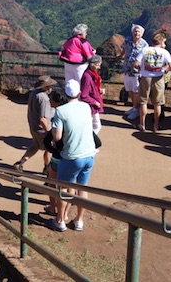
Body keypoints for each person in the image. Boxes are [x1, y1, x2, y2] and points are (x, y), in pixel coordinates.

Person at [50, 80, 100, 232]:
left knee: (64, 189)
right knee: (81, 188)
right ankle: (79, 221)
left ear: (65, 93)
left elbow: (57, 137)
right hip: (89, 154)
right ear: (79, 93)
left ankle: (60, 221)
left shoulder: (61, 111)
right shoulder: (85, 107)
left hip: (72, 156)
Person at [133, 30, 171, 133]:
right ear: (160, 42)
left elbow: (135, 63)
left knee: (143, 102)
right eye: (164, 42)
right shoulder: (165, 52)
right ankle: (156, 126)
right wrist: (164, 70)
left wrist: (141, 69)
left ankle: (142, 125)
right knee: (157, 103)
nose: (164, 44)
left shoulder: (145, 50)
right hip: (159, 78)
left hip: (145, 77)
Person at [14, 75, 57, 172]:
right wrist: (49, 132)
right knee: (49, 149)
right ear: (45, 87)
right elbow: (43, 119)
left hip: (34, 126)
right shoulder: (44, 99)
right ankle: (47, 168)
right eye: (49, 86)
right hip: (42, 128)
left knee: (36, 145)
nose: (51, 88)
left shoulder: (33, 93)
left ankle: (20, 163)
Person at [43, 89, 69, 218]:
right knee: (70, 186)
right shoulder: (73, 114)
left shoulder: (58, 116)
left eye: (51, 99)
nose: (49, 101)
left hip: (59, 156)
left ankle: (53, 208)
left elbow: (48, 140)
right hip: (72, 156)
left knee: (53, 183)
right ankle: (65, 214)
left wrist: (54, 151)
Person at [118, 24, 147, 121]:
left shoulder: (144, 44)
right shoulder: (128, 40)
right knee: (129, 89)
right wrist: (119, 56)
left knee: (136, 90)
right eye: (135, 31)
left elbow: (146, 57)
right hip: (127, 69)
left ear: (141, 33)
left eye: (138, 31)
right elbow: (124, 49)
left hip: (137, 72)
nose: (136, 33)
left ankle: (136, 109)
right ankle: (134, 107)